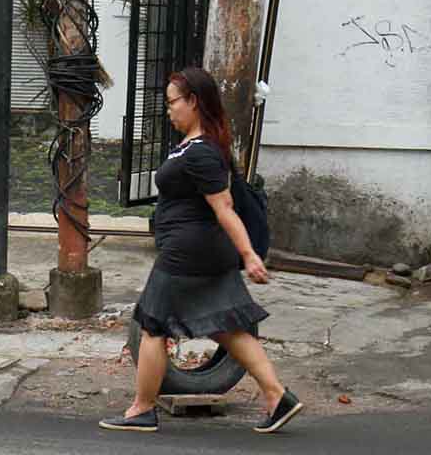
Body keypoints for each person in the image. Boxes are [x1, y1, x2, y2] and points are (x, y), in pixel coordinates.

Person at [99, 67, 304, 434]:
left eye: (173, 102)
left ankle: (142, 408)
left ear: (193, 101)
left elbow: (224, 207)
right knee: (228, 325)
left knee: (152, 325)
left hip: (188, 254)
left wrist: (249, 254)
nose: (169, 110)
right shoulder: (196, 147)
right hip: (200, 250)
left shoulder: (202, 152)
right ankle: (277, 397)